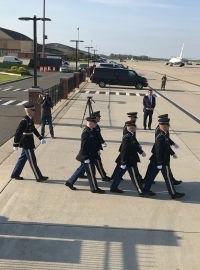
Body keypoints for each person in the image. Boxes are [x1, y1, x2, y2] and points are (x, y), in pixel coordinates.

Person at [143, 118, 185, 199]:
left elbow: (166, 147)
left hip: (159, 160)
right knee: (168, 177)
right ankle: (173, 194)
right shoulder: (160, 137)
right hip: (161, 161)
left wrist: (172, 153)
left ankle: (145, 190)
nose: (168, 127)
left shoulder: (164, 134)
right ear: (163, 126)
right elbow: (158, 151)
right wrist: (159, 163)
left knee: (151, 176)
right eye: (167, 125)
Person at [65, 117, 105, 193]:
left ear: (95, 124)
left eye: (92, 122)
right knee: (91, 173)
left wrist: (98, 149)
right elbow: (83, 146)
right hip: (87, 156)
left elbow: (96, 141)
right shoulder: (86, 132)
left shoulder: (92, 130)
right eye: (89, 122)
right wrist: (86, 158)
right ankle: (94, 188)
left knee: (80, 170)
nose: (90, 123)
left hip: (92, 154)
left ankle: (70, 182)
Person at [11, 103, 48, 182]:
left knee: (22, 159)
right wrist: (15, 144)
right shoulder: (24, 121)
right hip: (26, 143)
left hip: (29, 142)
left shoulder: (30, 119)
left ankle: (15, 174)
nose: (34, 111)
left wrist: (40, 138)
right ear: (28, 111)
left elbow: (33, 129)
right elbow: (18, 132)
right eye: (33, 110)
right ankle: (39, 177)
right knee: (32, 161)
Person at [110, 121, 147, 196]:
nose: (133, 129)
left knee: (119, 175)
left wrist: (141, 152)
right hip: (128, 160)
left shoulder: (132, 135)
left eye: (134, 127)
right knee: (135, 176)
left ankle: (113, 187)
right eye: (131, 127)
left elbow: (135, 145)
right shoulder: (127, 137)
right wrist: (123, 162)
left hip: (129, 159)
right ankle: (141, 191)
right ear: (128, 128)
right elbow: (124, 150)